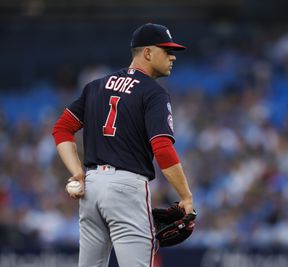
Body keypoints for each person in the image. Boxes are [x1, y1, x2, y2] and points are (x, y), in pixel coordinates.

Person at [52, 23, 195, 267]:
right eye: (166, 50)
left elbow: (61, 129)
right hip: (127, 188)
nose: (172, 57)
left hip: (92, 186)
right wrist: (186, 196)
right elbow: (162, 148)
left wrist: (77, 171)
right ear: (147, 53)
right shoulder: (153, 92)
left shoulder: (96, 86)